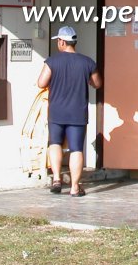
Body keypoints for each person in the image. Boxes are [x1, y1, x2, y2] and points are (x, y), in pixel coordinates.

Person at [37, 26, 102, 197]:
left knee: (55, 144)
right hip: (77, 113)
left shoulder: (52, 61)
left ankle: (57, 179)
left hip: (56, 112)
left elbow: (41, 83)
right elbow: (97, 83)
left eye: (58, 41)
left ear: (62, 42)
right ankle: (74, 187)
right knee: (76, 149)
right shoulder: (87, 62)